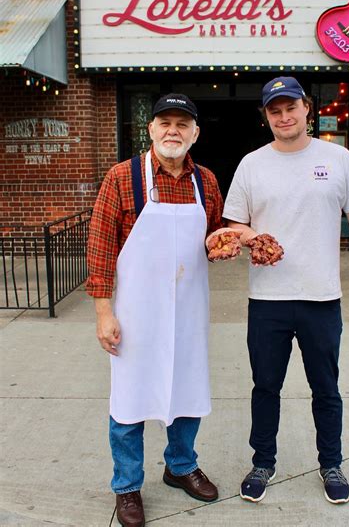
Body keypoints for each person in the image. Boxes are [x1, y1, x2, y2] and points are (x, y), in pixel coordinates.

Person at [223, 76, 349, 505]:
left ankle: (331, 462)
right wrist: (251, 237)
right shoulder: (252, 165)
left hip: (321, 297)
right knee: (265, 387)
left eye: (291, 107)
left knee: (326, 388)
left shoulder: (338, 158)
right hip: (268, 300)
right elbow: (234, 224)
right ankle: (263, 462)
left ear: (307, 108)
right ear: (267, 116)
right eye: (275, 110)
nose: (284, 116)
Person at [87, 93, 235, 527]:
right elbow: (100, 246)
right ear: (150, 129)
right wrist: (103, 312)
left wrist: (224, 244)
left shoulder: (205, 181)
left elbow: (212, 236)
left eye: (182, 124)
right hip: (136, 314)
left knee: (187, 390)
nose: (174, 131)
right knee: (129, 399)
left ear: (195, 133)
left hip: (188, 310)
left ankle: (181, 465)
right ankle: (127, 485)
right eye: (165, 122)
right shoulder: (122, 177)